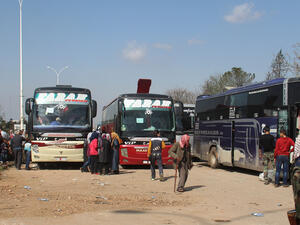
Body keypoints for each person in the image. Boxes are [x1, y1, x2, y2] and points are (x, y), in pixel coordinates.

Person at [292, 129, 300, 224]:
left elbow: (295, 153)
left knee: (297, 195)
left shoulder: (298, 139)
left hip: (298, 167)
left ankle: (298, 216)